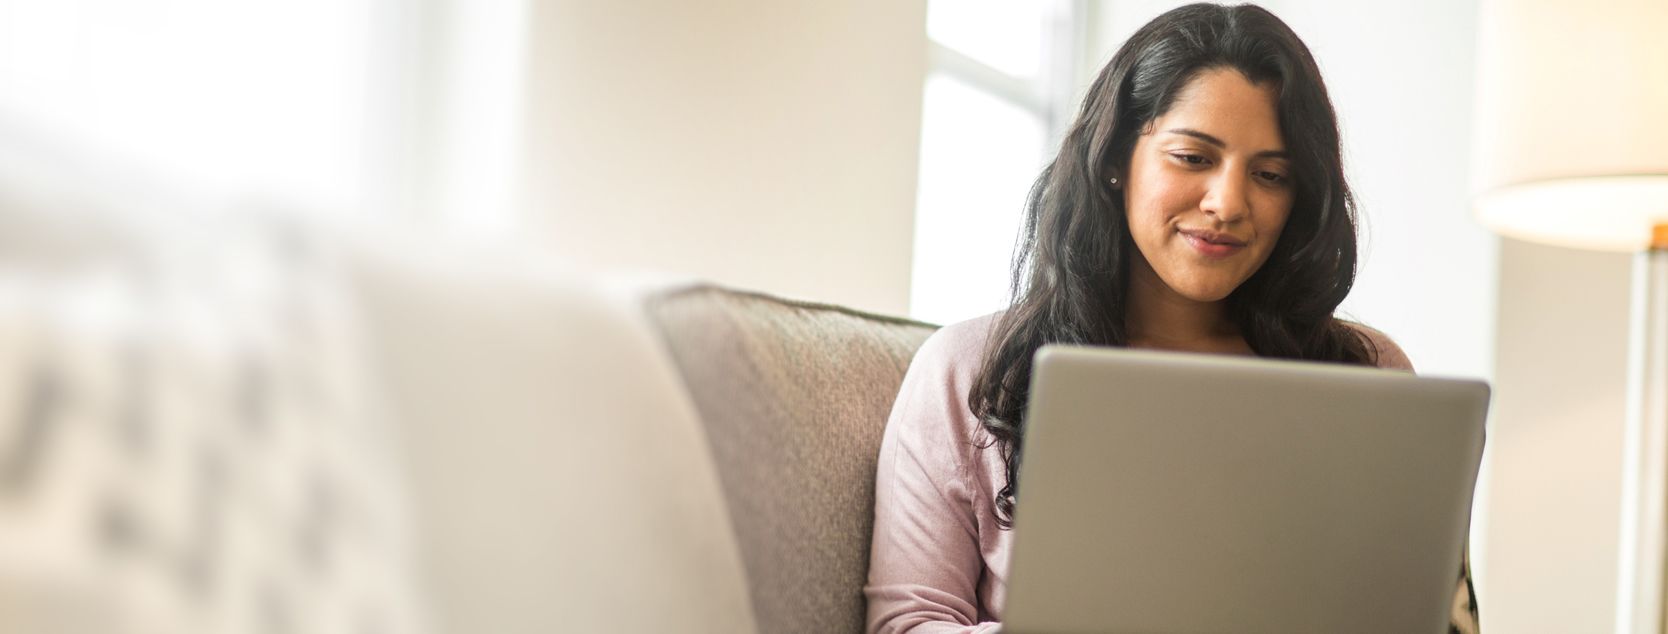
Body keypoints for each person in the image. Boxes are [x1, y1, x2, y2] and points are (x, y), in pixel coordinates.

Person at [863, 3, 1480, 633]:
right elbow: (908, 622)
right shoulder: (971, 370)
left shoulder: (1368, 376)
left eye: (1270, 175)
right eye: (1192, 157)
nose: (1228, 203)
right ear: (1115, 159)